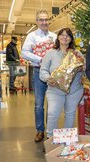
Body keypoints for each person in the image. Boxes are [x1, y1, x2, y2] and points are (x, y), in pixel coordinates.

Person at [40, 28, 84, 138]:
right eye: (62, 35)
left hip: (74, 90)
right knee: (52, 114)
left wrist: (82, 69)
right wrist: (47, 78)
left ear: (71, 39)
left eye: (68, 35)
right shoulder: (50, 53)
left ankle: (67, 141)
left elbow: (85, 69)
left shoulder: (76, 53)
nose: (65, 37)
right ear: (58, 37)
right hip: (55, 90)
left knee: (70, 115)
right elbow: (43, 70)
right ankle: (50, 139)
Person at [22, 9, 57, 142]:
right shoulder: (32, 36)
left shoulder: (54, 36)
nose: (44, 22)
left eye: (46, 19)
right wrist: (40, 59)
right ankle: (40, 130)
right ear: (37, 22)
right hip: (38, 72)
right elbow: (24, 53)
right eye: (41, 20)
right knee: (39, 104)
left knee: (53, 103)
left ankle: (50, 130)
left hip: (53, 73)